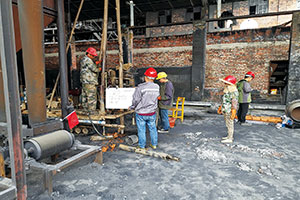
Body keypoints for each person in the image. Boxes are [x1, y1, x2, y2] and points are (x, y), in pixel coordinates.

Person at [129, 67, 160, 149]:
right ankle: (154, 144)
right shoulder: (157, 87)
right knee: (153, 129)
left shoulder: (141, 87)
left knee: (141, 130)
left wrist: (132, 107)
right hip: (152, 112)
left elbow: (136, 100)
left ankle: (142, 146)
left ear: (145, 77)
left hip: (141, 113)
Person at [80, 47, 101, 113]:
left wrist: (95, 63)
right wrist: (99, 69)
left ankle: (86, 111)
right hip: (90, 82)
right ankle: (92, 111)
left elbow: (87, 68)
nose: (93, 57)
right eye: (93, 55)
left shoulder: (83, 59)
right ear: (89, 54)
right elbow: (94, 69)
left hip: (84, 82)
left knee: (85, 96)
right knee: (91, 97)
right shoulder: (88, 60)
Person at [218, 75, 238, 143]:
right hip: (226, 109)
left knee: (230, 124)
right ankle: (228, 136)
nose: (224, 83)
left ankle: (230, 138)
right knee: (227, 123)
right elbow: (225, 100)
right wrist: (221, 107)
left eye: (226, 82)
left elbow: (234, 102)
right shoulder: (228, 89)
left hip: (229, 109)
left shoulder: (233, 91)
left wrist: (233, 111)